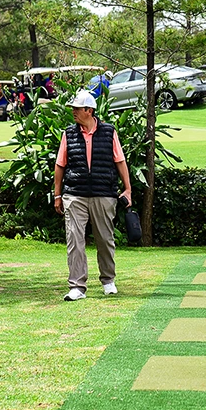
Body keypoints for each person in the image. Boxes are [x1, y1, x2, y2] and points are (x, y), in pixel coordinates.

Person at [53, 89, 132, 301]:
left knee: (105, 239)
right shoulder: (68, 134)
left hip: (103, 193)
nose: (73, 112)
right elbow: (60, 165)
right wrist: (57, 195)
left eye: (77, 108)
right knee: (74, 240)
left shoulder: (109, 132)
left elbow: (120, 161)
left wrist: (128, 189)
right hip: (75, 195)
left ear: (89, 110)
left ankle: (108, 280)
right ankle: (77, 286)